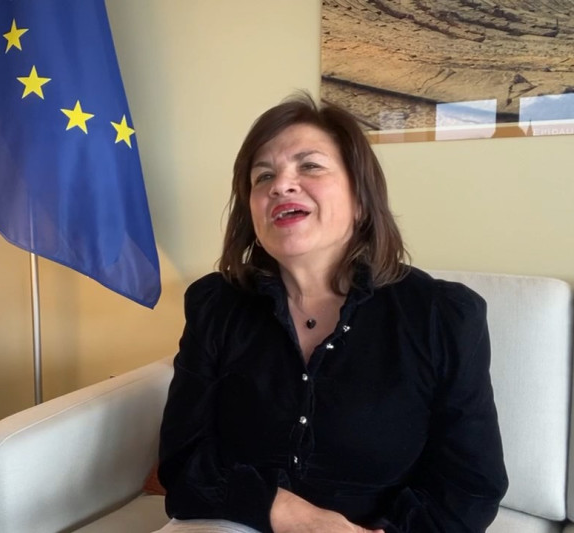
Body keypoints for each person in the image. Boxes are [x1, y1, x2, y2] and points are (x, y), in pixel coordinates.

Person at [155, 92, 508, 533]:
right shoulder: (215, 304)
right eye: (263, 176)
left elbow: (470, 488)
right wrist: (288, 512)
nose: (281, 185)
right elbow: (183, 464)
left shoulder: (443, 317)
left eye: (310, 166)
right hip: (237, 522)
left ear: (360, 199)